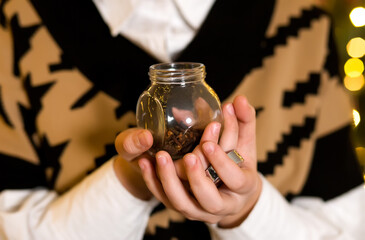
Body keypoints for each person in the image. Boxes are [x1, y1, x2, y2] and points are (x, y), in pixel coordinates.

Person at [0, 0, 364, 239]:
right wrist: (129, 181)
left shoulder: (301, 22)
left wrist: (247, 209)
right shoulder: (20, 22)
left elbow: (345, 227)